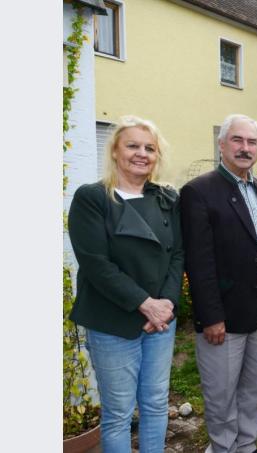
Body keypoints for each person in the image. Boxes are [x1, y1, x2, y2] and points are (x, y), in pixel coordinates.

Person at [68, 115, 183, 452]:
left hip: (160, 322)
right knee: (118, 413)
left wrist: (167, 305)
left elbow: (178, 254)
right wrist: (145, 304)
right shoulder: (93, 198)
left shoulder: (166, 197)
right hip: (113, 321)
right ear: (115, 151)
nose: (141, 153)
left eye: (150, 148)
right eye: (132, 145)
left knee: (156, 403)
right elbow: (96, 264)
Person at [181, 114, 257, 453]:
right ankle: (223, 446)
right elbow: (198, 262)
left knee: (255, 383)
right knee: (221, 387)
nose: (245, 148)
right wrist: (210, 316)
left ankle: (247, 444)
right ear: (222, 144)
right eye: (237, 140)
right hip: (224, 306)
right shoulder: (199, 191)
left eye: (252, 142)